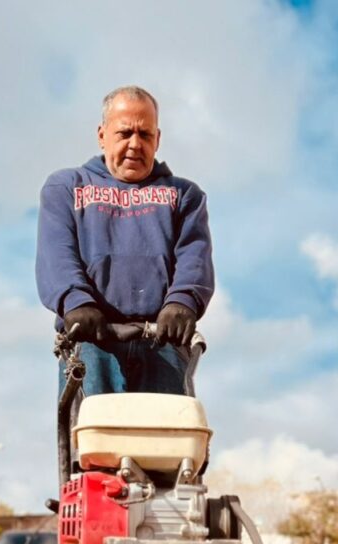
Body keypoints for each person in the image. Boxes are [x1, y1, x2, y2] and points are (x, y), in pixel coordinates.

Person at [36, 85, 214, 396]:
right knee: (97, 437)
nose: (135, 144)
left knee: (165, 440)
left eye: (145, 135)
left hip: (163, 342)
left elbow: (194, 256)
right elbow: (57, 253)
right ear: (102, 134)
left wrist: (182, 302)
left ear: (157, 139)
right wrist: (76, 302)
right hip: (93, 342)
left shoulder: (184, 195)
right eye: (125, 133)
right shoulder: (65, 187)